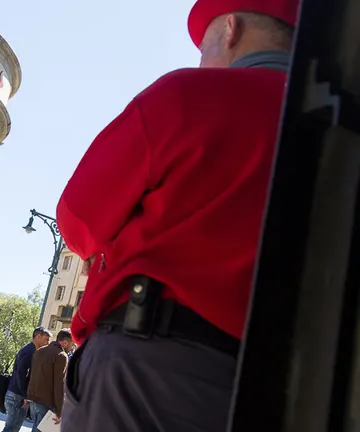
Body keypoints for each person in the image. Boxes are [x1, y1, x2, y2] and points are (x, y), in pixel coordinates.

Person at [55, 0, 297, 430]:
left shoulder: (188, 95)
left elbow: (77, 220)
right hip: (283, 391)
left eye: (204, 49)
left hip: (147, 367)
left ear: (230, 30)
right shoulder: (335, 128)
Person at [1, 328, 51, 432]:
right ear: (38, 336)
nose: (48, 343)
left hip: (16, 394)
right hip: (17, 396)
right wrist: (25, 395)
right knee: (11, 428)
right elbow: (21, 374)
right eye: (46, 339)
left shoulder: (30, 350)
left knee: (11, 427)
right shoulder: (29, 351)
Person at [26, 329, 74, 431]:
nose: (72, 347)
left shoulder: (40, 351)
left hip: (34, 400)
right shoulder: (61, 356)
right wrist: (59, 410)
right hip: (45, 403)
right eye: (72, 344)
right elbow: (59, 385)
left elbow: (31, 375)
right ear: (65, 343)